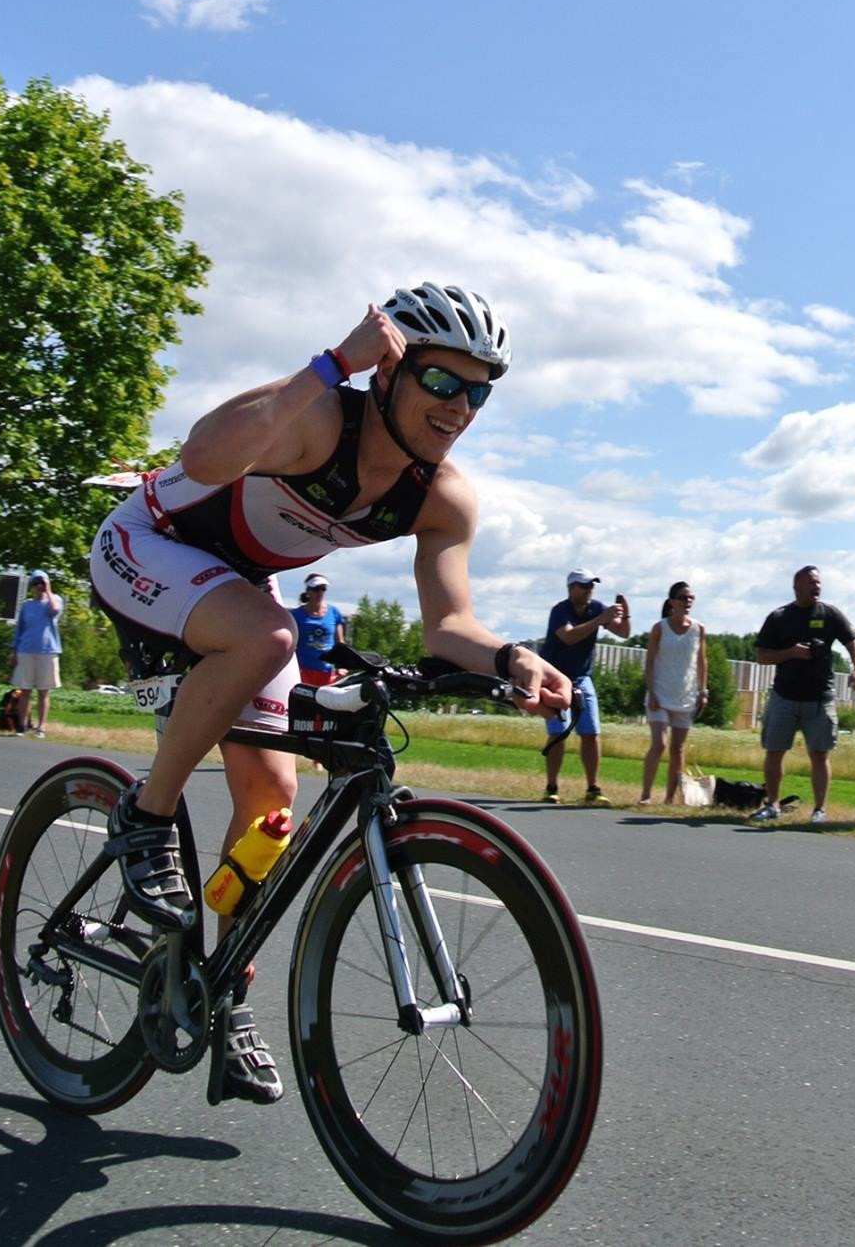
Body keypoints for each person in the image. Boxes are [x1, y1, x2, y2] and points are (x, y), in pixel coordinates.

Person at [86, 282, 569, 1106]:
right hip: (145, 544)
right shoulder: (320, 417)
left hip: (231, 591)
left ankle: (224, 993)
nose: (459, 406)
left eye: (478, 390)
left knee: (274, 802)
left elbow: (450, 623)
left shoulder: (442, 496)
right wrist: (330, 363)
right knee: (270, 636)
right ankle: (146, 815)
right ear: (389, 370)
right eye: (442, 381)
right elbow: (202, 458)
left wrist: (513, 659)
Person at [752, 565, 855, 825]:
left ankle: (819, 810)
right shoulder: (780, 616)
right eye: (811, 582)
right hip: (784, 696)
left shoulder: (830, 614)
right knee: (774, 751)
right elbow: (761, 656)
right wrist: (790, 652)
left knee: (820, 754)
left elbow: (852, 643)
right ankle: (772, 805)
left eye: (819, 583)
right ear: (796, 586)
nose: (817, 587)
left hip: (820, 698)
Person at [539, 571, 630, 802]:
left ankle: (593, 788)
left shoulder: (596, 608)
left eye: (592, 586)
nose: (589, 590)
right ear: (571, 588)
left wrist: (625, 614)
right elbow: (568, 637)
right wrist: (600, 620)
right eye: (584, 586)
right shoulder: (560, 611)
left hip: (581, 677)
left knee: (590, 732)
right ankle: (551, 787)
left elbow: (623, 633)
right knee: (559, 733)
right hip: (555, 677)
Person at [639, 581, 707, 804]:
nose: (688, 602)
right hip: (660, 694)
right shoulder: (660, 628)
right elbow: (649, 662)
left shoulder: (699, 629)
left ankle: (670, 797)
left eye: (691, 598)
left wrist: (702, 691)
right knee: (659, 744)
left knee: (678, 749)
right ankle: (646, 794)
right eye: (683, 598)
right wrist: (652, 692)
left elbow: (701, 662)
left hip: (685, 696)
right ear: (672, 602)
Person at [10, 570, 64, 737]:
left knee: (43, 690)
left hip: (47, 650)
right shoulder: (27, 605)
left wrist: (48, 590)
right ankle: (22, 725)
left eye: (42, 583)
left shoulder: (55, 600)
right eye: (36, 583)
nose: (39, 586)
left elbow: (54, 611)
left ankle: (41, 726)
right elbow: (19, 629)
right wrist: (14, 650)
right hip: (26, 649)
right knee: (25, 690)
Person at [288, 572, 345, 694]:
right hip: (303, 670)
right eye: (315, 589)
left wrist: (341, 666)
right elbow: (291, 645)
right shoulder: (296, 615)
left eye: (323, 589)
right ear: (308, 591)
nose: (319, 593)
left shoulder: (334, 613)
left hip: (327, 671)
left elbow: (340, 643)